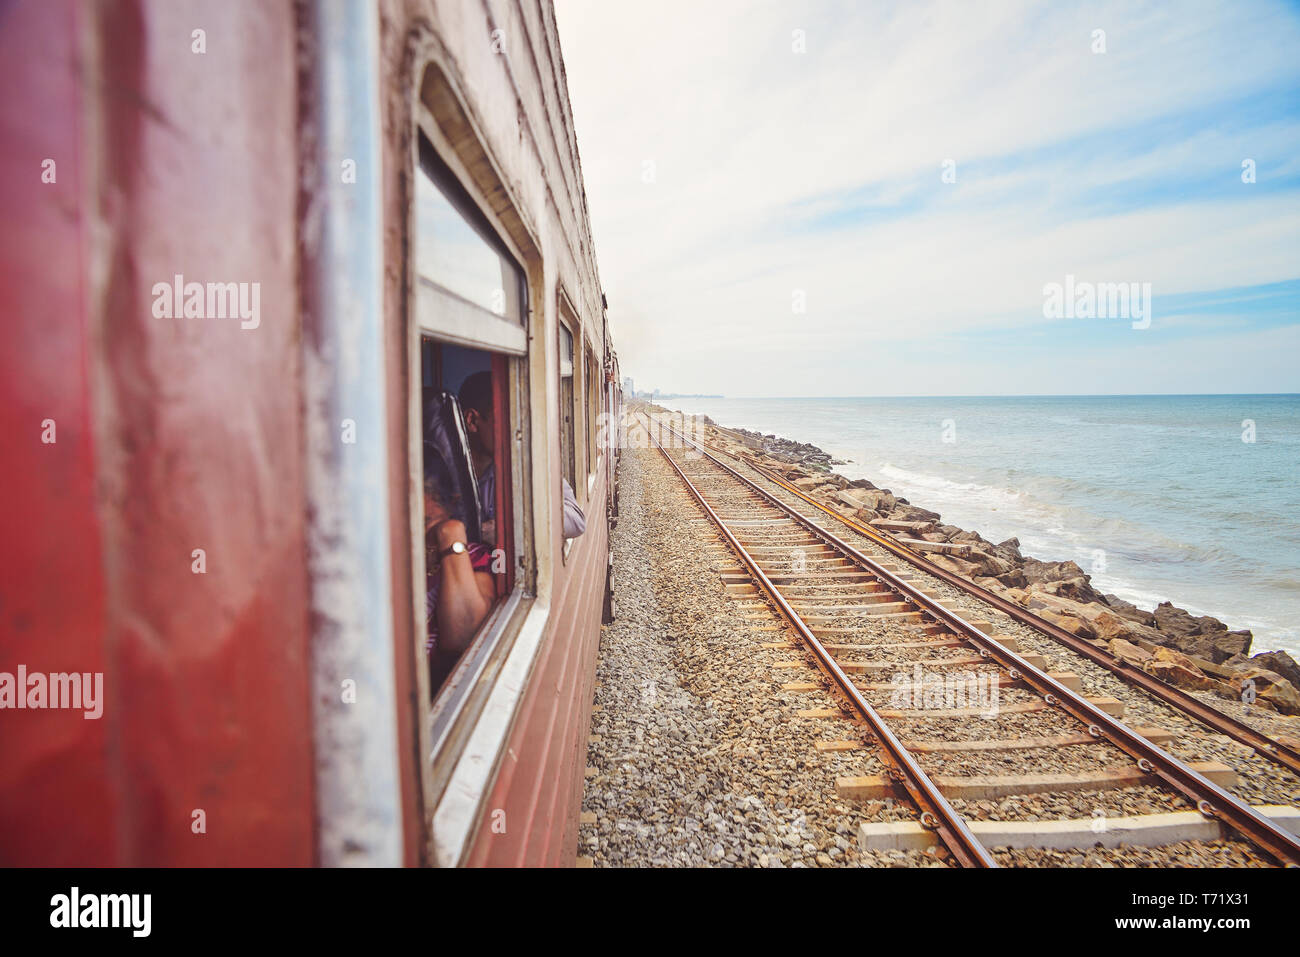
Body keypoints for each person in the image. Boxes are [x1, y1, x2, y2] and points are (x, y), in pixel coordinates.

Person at [459, 370, 587, 540]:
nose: (515, 430)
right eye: (506, 419)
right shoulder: (443, 474)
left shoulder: (523, 460)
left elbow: (576, 520)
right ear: (472, 420)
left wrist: (510, 526)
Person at [424, 466, 494, 687]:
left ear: (450, 504)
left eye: (426, 521)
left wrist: (451, 534)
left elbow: (462, 635)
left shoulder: (474, 559)